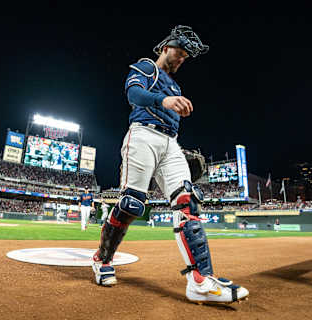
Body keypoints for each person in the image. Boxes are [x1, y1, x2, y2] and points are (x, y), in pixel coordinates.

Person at [91, 25, 248, 304]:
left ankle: (200, 280)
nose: (182, 59)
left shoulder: (176, 85)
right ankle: (102, 259)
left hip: (170, 143)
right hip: (142, 134)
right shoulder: (147, 67)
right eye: (180, 52)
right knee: (132, 204)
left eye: (186, 56)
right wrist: (164, 99)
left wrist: (172, 134)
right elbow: (134, 95)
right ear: (166, 47)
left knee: (188, 202)